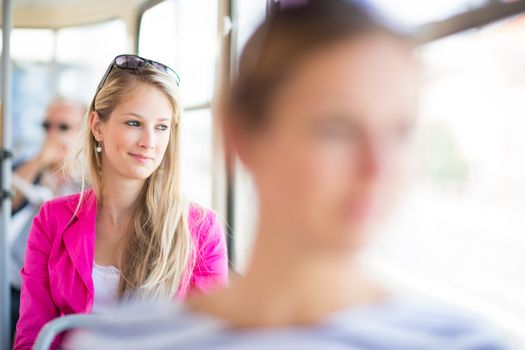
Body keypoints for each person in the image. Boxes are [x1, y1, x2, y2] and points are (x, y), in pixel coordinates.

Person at [66, 1, 509, 349]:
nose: (378, 168)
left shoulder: (470, 343)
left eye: (400, 132)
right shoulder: (120, 342)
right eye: (337, 128)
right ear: (240, 135)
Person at [14, 55, 228, 350]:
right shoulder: (53, 219)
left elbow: (209, 339)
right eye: (133, 123)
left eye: (162, 127)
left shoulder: (201, 230)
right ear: (97, 126)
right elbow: (32, 335)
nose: (149, 141)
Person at [9, 98, 85, 341]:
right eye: (46, 126)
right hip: (17, 280)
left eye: (62, 127)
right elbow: (8, 199)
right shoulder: (30, 164)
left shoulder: (90, 176)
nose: (52, 134)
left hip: (63, 289)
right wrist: (41, 161)